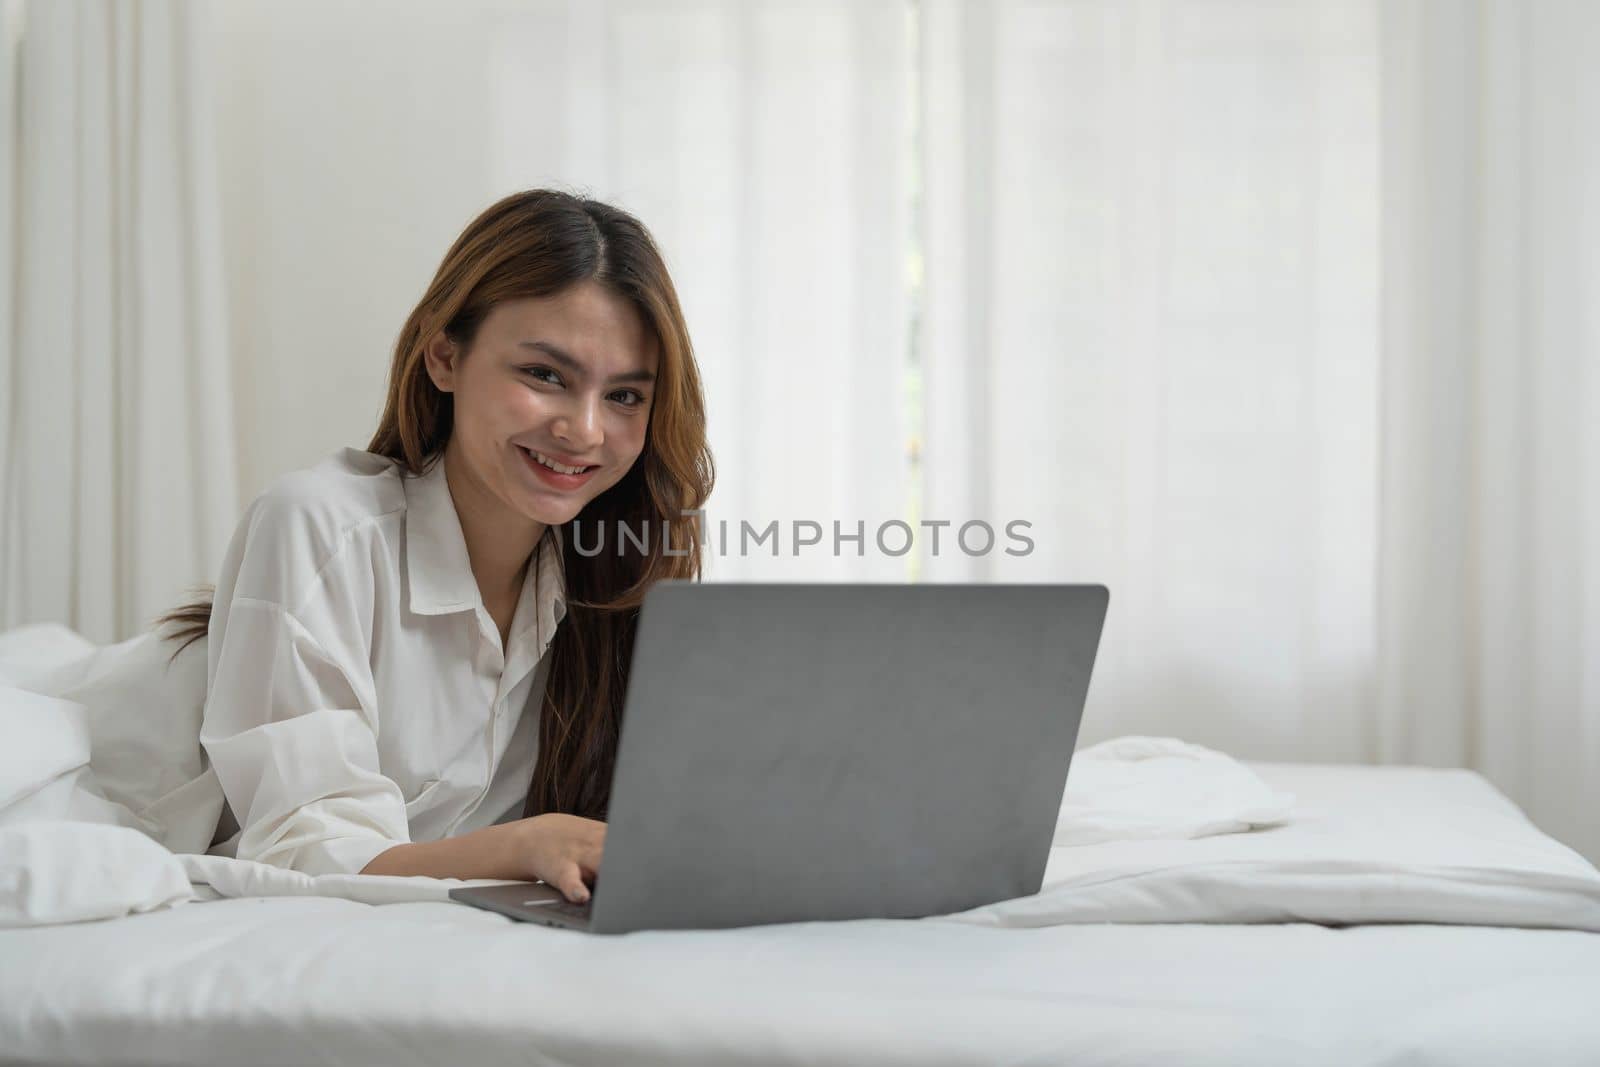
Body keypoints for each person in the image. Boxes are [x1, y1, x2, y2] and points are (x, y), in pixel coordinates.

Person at [138, 189, 713, 903]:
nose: (585, 429)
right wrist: (525, 845)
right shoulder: (319, 526)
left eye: (625, 396)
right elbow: (302, 853)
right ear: (445, 356)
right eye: (545, 375)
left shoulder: (613, 573)